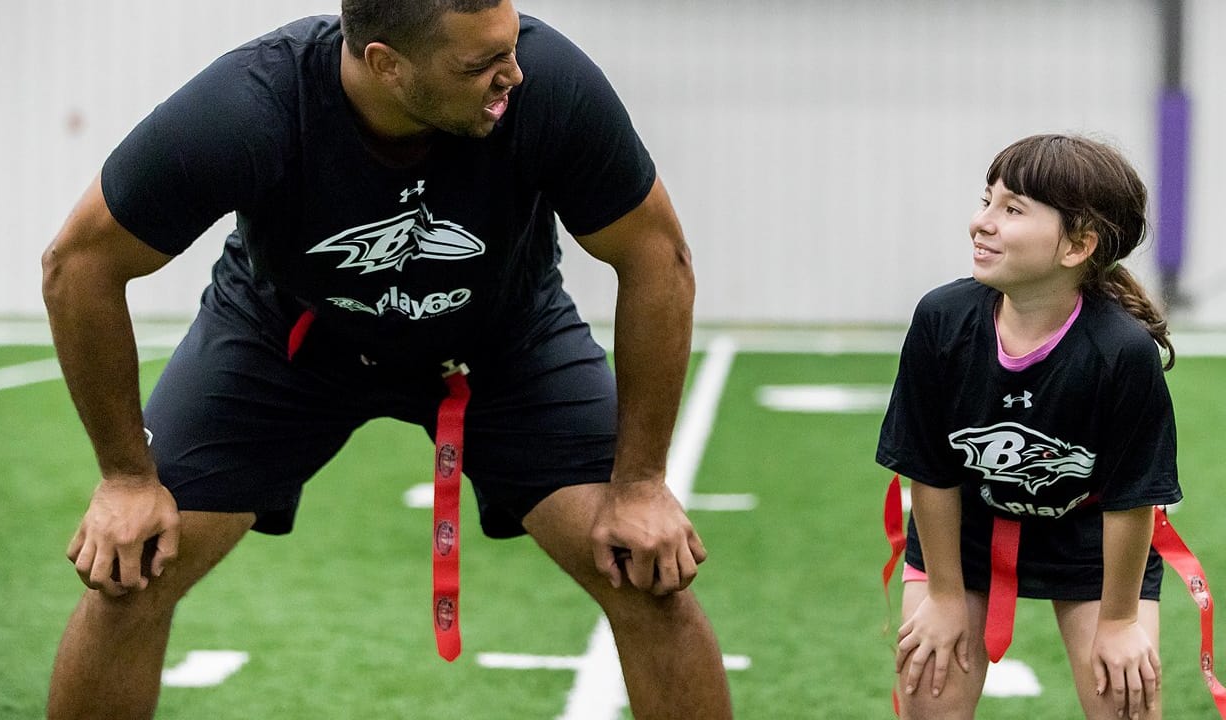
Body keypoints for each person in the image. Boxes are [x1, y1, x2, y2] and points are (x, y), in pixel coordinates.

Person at [40, 1, 732, 718]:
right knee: (132, 574)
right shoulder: (251, 109)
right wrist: (125, 476)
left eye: (510, 46)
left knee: (647, 574)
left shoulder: (546, 84)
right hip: (288, 341)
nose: (512, 74)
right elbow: (79, 264)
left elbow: (658, 256)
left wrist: (643, 481)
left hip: (503, 343)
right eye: (479, 65)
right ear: (384, 63)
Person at [876, 134, 1182, 720]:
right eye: (985, 200)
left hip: (1091, 537)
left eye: (1011, 209)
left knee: (1128, 705)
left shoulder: (1121, 351)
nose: (980, 222)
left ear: (1078, 245)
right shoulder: (941, 319)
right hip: (961, 531)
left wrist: (1118, 622)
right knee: (927, 695)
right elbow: (931, 471)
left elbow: (1130, 499)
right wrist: (943, 596)